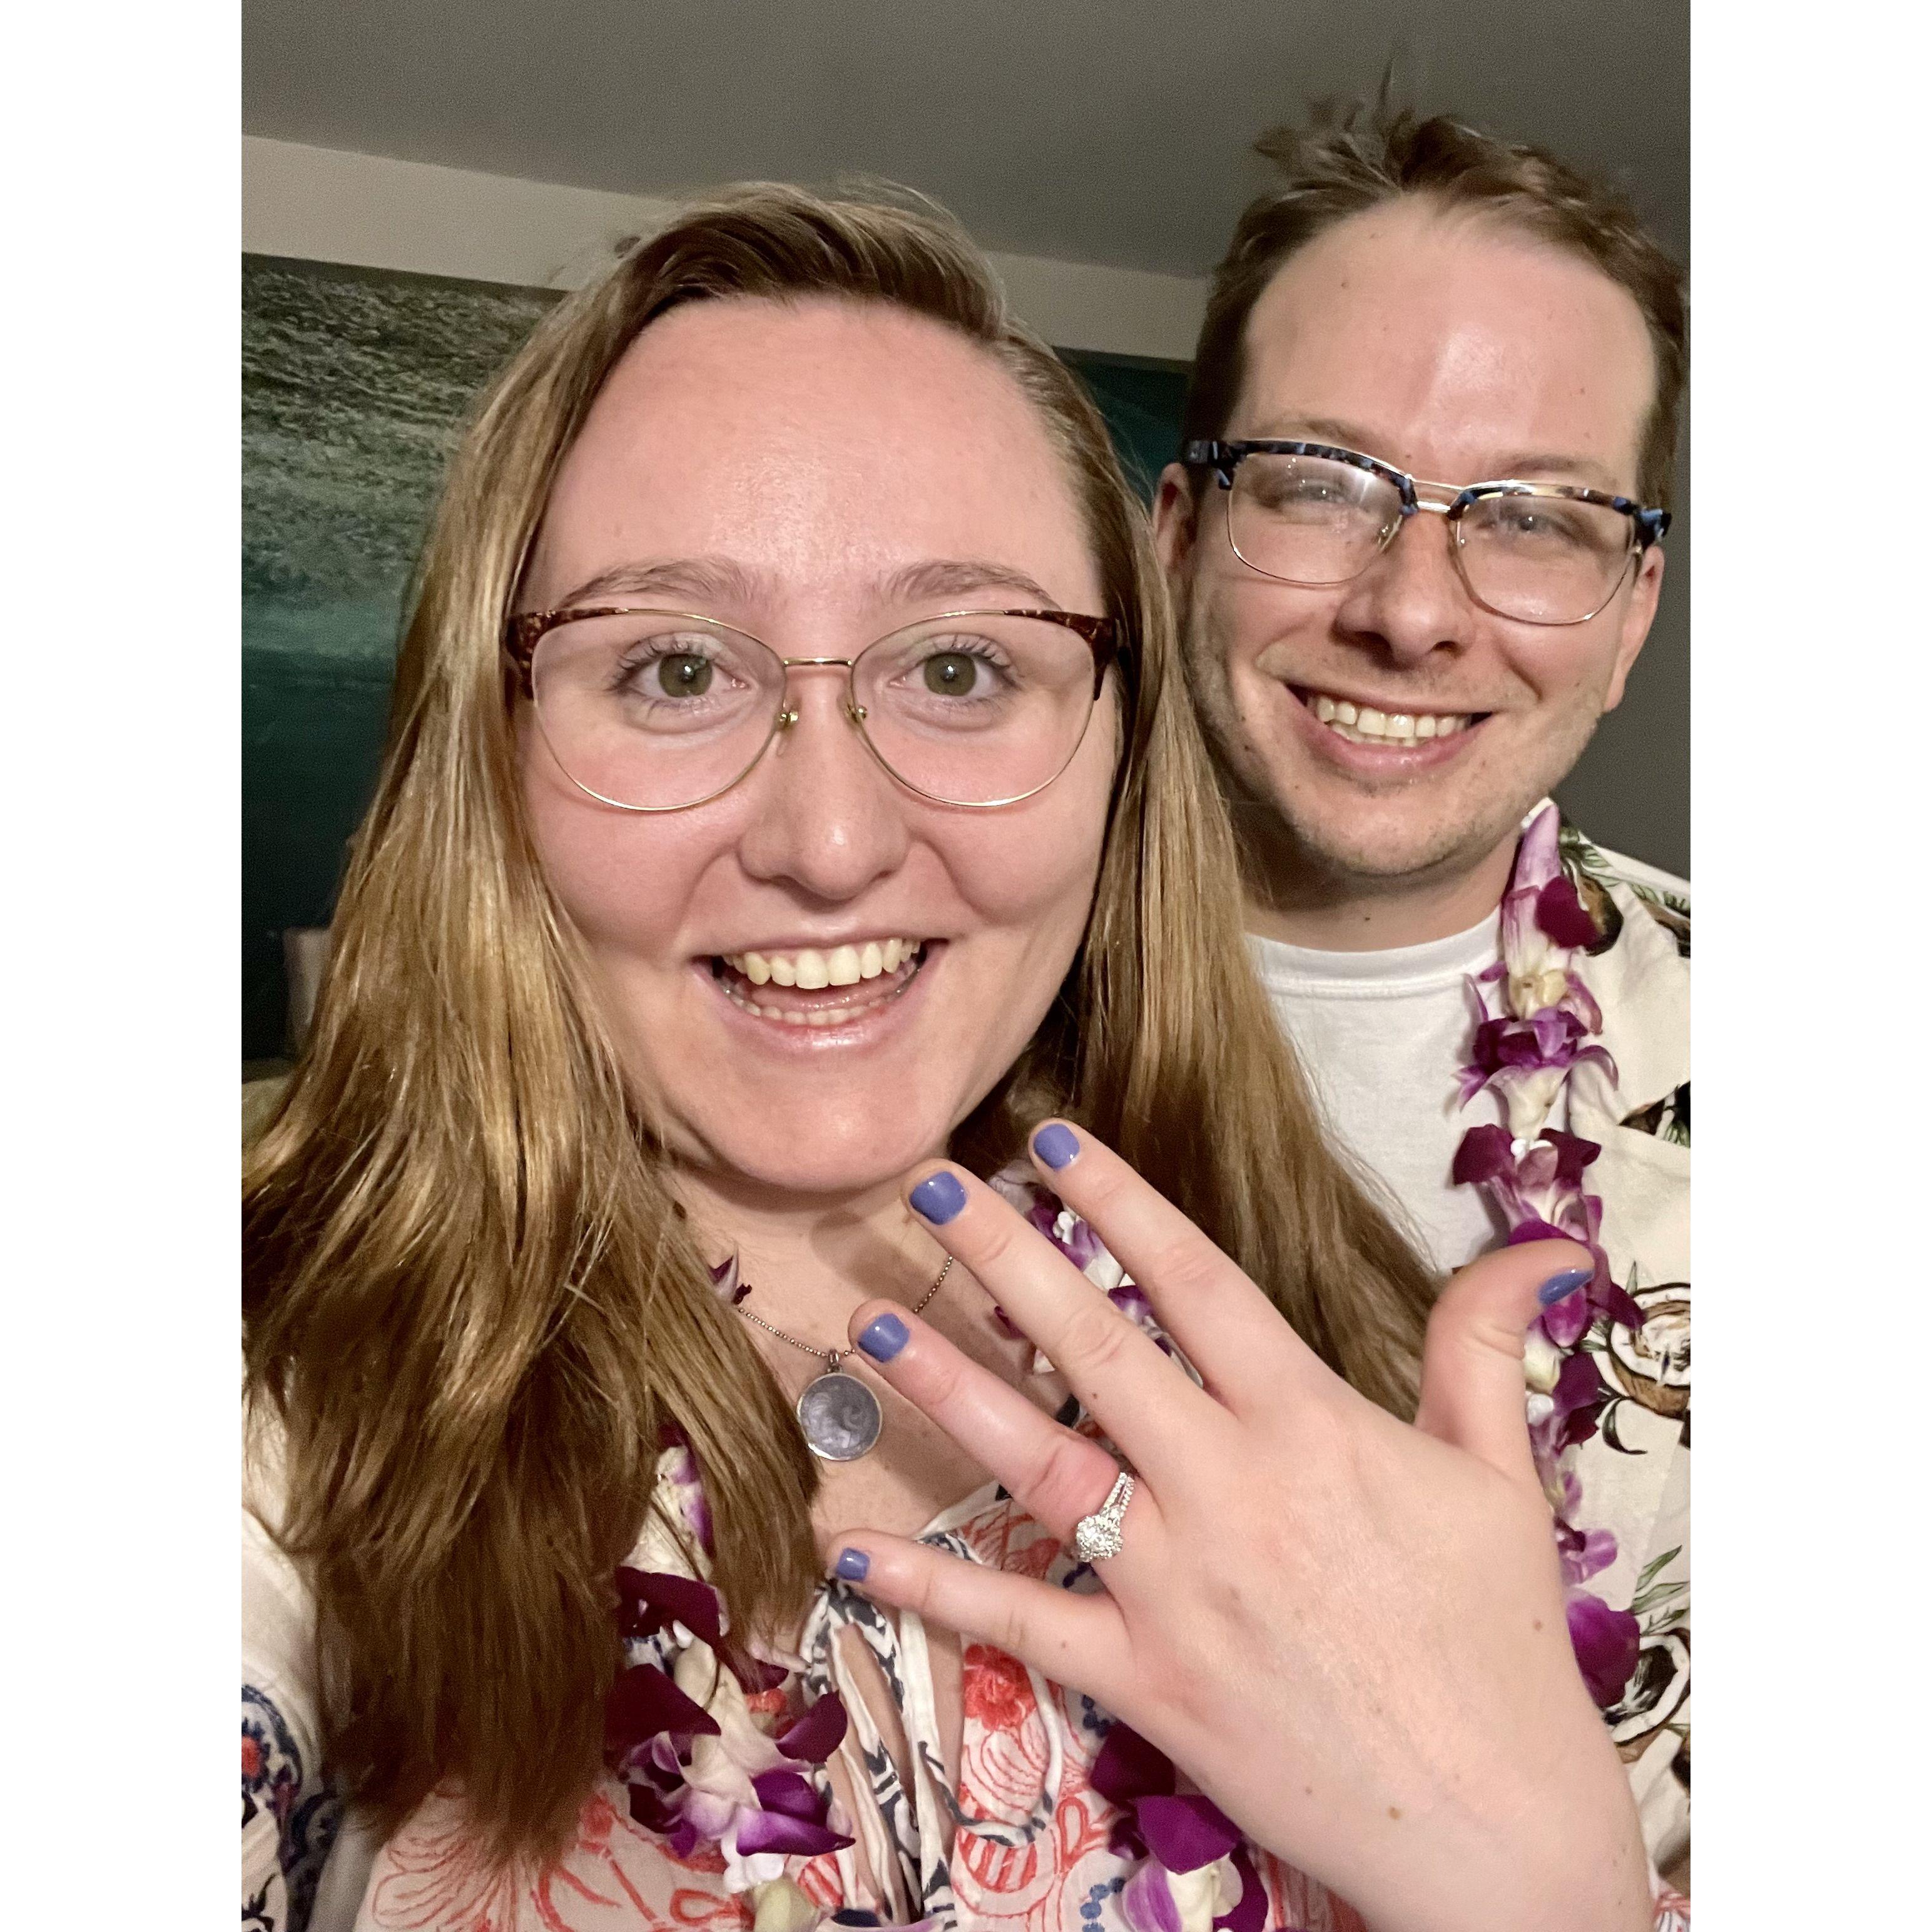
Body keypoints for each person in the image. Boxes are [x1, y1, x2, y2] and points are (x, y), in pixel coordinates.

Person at [243, 185, 1681, 1932]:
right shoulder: (273, 1374)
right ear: (493, 737)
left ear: (1109, 742)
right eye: (676, 665)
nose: (833, 840)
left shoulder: (1316, 1307)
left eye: (959, 663)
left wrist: (1539, 1880)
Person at [1143, 105, 1691, 1879]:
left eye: (1535, 520)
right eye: (1319, 484)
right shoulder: (891, 1025)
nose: (1415, 610)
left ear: (1628, 613)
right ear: (1178, 539)